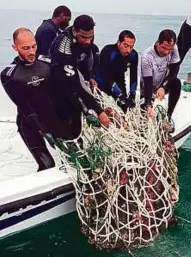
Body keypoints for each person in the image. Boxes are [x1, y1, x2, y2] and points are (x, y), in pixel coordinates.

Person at [0, 28, 109, 172]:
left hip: (52, 118)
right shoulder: (10, 75)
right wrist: (43, 131)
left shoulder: (48, 63)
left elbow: (68, 90)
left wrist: (86, 110)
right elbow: (24, 107)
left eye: (34, 46)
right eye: (25, 48)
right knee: (47, 165)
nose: (31, 52)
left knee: (79, 159)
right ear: (15, 47)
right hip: (30, 123)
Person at [141, 29, 181, 123]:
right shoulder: (147, 56)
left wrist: (163, 87)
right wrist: (148, 105)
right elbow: (147, 82)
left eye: (169, 49)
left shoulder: (174, 48)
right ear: (158, 43)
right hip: (148, 85)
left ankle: (168, 118)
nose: (166, 52)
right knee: (145, 116)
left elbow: (174, 71)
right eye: (163, 48)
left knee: (176, 82)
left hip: (162, 83)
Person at [49, 14, 99, 87]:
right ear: (74, 31)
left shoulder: (87, 36)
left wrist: (89, 78)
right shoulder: (64, 45)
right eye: (84, 37)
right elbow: (70, 77)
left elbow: (86, 56)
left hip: (76, 62)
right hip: (60, 72)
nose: (88, 41)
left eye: (90, 37)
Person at [97, 30, 138, 112]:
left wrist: (132, 95)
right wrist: (119, 94)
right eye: (126, 46)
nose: (128, 50)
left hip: (119, 80)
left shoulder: (133, 55)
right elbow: (106, 74)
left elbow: (133, 77)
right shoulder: (108, 51)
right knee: (104, 110)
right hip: (103, 80)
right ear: (119, 42)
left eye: (131, 47)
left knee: (124, 108)